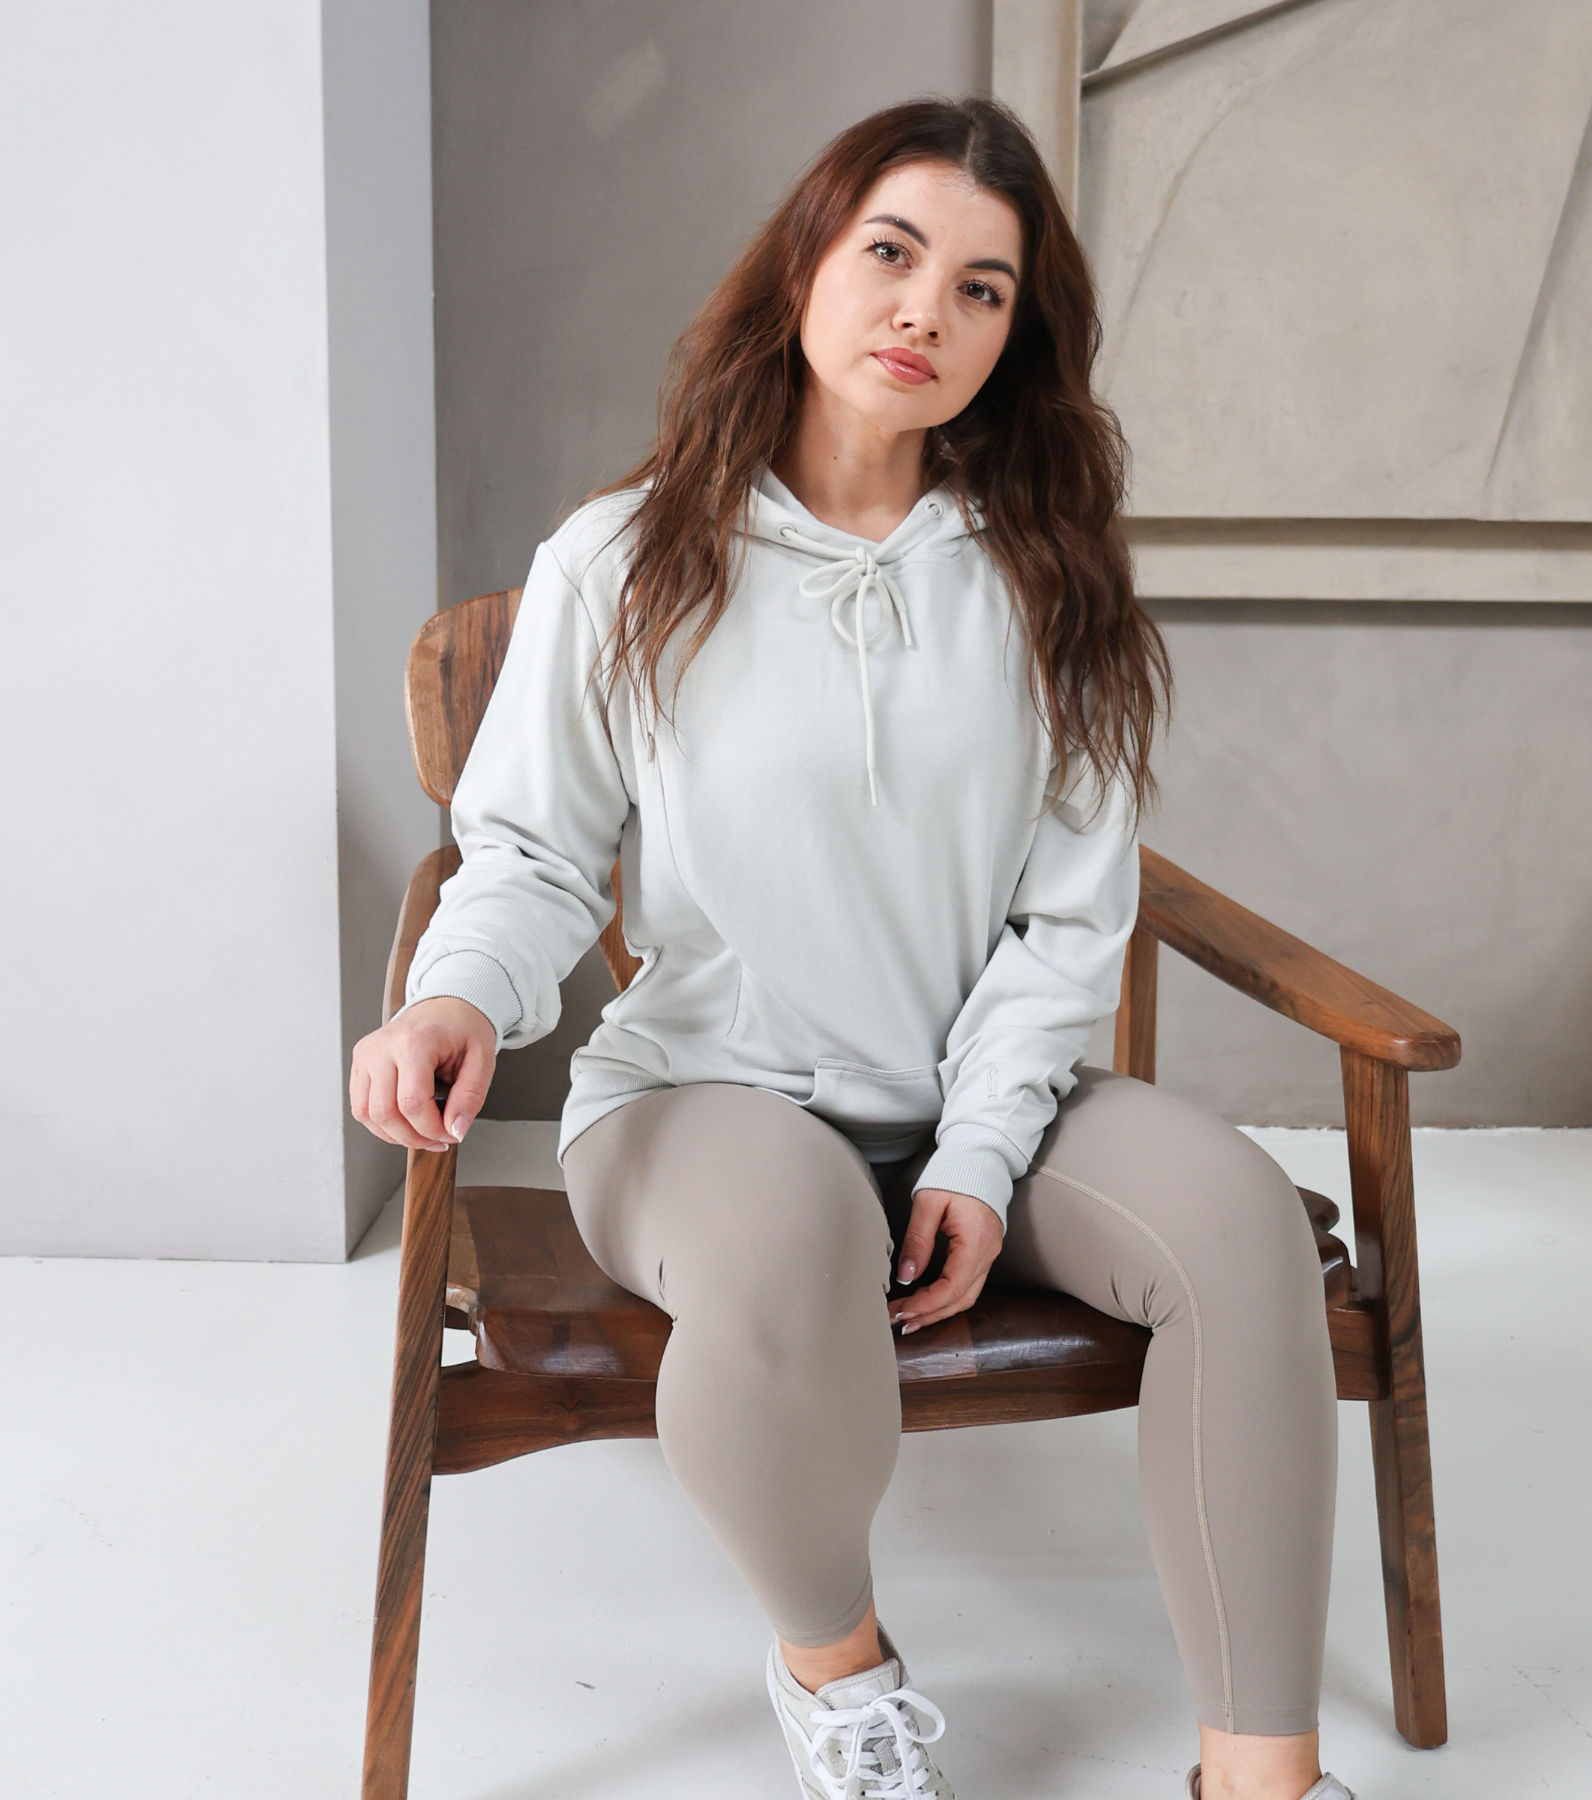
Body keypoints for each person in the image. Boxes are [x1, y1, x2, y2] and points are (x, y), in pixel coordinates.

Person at [350, 96, 1348, 1800]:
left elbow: (1067, 921)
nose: (923, 311)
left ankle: (1262, 1778)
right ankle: (842, 1673)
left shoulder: (1049, 581)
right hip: (704, 1099)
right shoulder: (624, 560)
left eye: (981, 289)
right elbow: (529, 855)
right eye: (892, 253)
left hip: (983, 1097)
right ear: (806, 261)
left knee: (1243, 1227)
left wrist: (978, 1150)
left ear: (1015, 337)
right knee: (792, 1232)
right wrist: (454, 994)